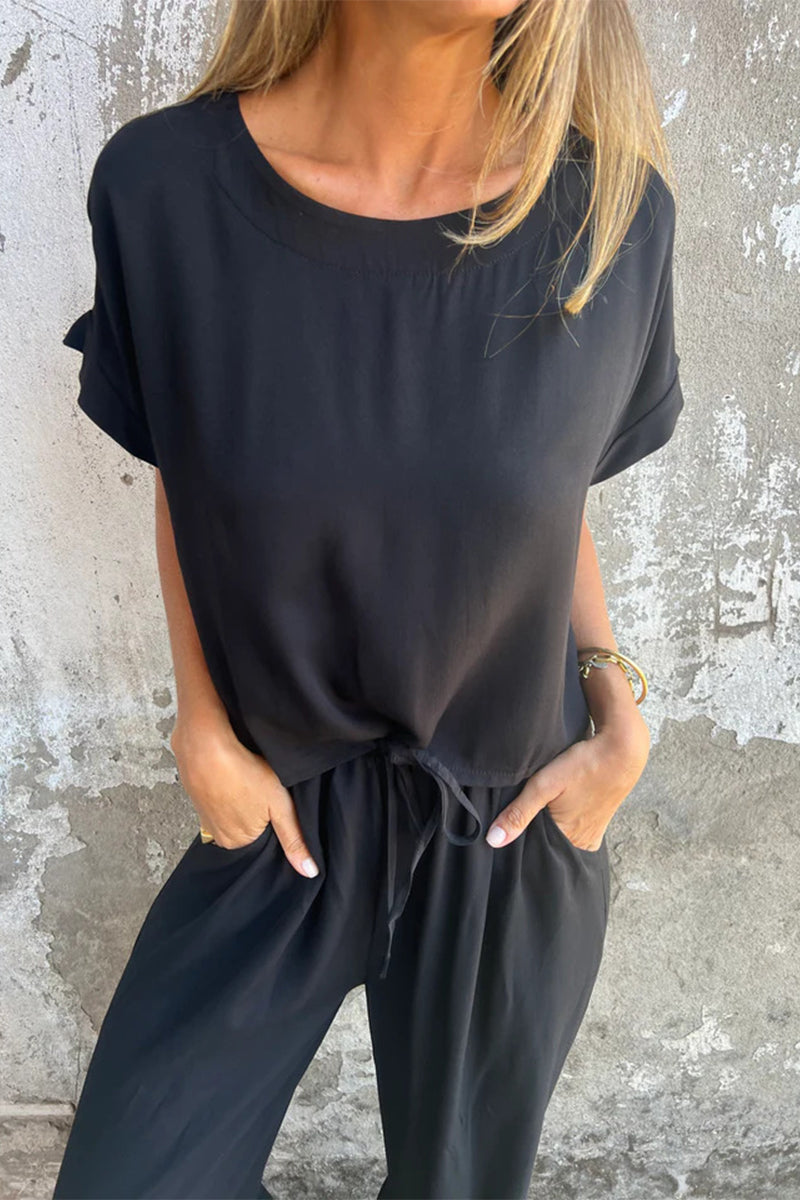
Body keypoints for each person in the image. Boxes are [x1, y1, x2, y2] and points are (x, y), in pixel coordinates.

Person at [53, 0, 685, 1197]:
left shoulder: (606, 216)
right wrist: (200, 724)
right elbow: (188, 461)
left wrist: (615, 712)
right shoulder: (165, 190)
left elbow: (545, 503)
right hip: (277, 807)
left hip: (508, 817)